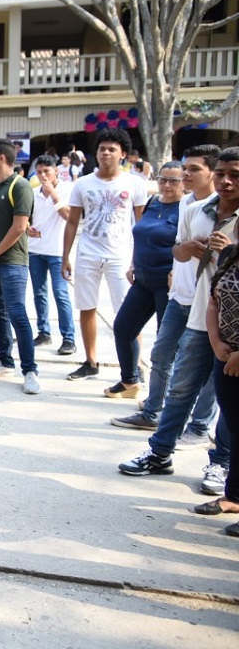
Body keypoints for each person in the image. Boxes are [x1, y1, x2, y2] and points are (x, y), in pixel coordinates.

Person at [118, 147, 237, 493]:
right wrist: (189, 249)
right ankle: (160, 453)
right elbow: (178, 250)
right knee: (181, 386)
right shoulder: (195, 209)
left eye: (236, 175)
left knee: (227, 401)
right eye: (222, 174)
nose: (226, 181)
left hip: (235, 327)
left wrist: (229, 250)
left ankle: (221, 464)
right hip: (200, 315)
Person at [111, 145, 221, 438]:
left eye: (192, 170)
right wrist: (180, 254)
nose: (181, 178)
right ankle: (151, 411)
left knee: (202, 367)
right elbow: (179, 248)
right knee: (160, 355)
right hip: (177, 294)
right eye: (176, 173)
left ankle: (198, 426)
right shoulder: (183, 204)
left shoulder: (220, 206)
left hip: (208, 301)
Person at [61, 129, 149, 380]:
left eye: (112, 149)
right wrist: (66, 255)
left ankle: (135, 366)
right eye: (102, 149)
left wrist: (139, 259)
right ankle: (90, 361)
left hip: (122, 257)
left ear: (123, 154)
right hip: (88, 254)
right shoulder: (83, 183)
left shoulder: (135, 184)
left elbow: (142, 224)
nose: (106, 153)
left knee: (129, 312)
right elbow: (72, 222)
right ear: (96, 153)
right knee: (87, 307)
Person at [106, 161, 183, 399]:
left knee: (165, 343)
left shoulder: (187, 208)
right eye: (163, 179)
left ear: (184, 183)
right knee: (123, 327)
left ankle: (164, 398)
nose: (167, 185)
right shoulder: (153, 202)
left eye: (174, 180)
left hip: (166, 284)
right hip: (143, 279)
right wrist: (132, 263)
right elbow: (141, 235)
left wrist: (177, 272)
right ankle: (130, 380)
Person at [0, 140, 40, 394]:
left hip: (12, 262)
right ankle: (4, 360)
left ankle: (30, 370)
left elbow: (19, 227)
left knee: (17, 313)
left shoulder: (20, 186)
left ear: (1, 159)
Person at [201, 238, 239, 530]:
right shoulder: (230, 253)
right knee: (235, 425)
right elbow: (214, 299)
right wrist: (216, 343)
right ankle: (234, 496)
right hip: (225, 356)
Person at [27, 156, 76, 354]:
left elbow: (68, 216)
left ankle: (68, 338)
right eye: (39, 172)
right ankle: (44, 332)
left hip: (57, 251)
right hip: (35, 249)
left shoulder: (68, 189)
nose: (43, 176)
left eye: (47, 171)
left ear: (56, 171)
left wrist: (53, 194)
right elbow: (27, 217)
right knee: (39, 294)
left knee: (61, 293)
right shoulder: (32, 192)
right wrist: (27, 228)